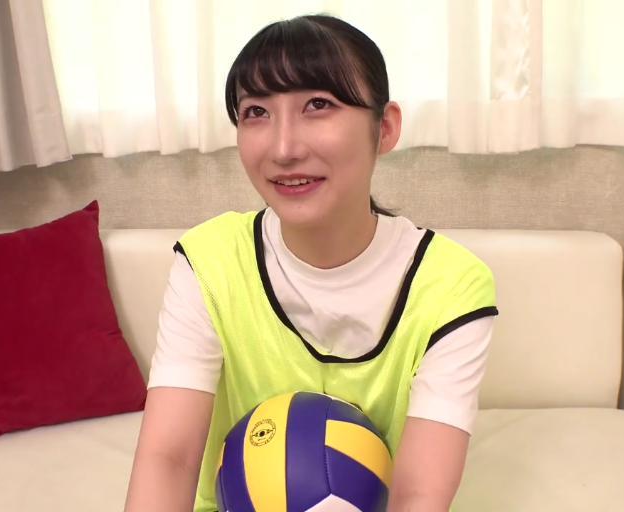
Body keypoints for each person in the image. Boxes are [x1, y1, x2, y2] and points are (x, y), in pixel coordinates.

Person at [124, 13, 497, 512]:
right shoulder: (209, 261)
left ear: (384, 128)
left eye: (318, 105)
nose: (284, 149)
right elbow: (168, 458)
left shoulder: (451, 287)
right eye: (256, 112)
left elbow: (418, 493)